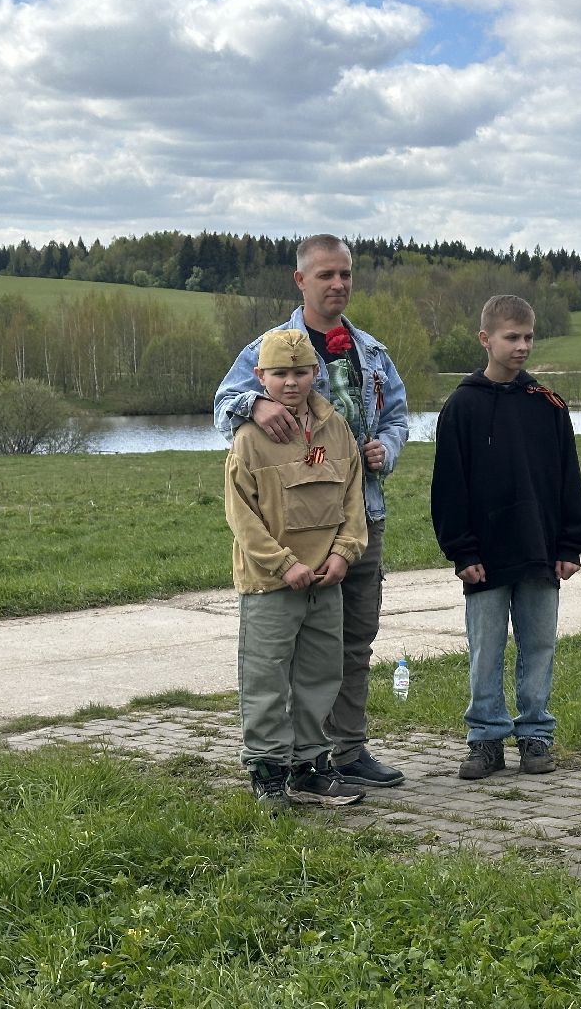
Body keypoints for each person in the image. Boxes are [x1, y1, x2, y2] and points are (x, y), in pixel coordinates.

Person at [213, 234, 410, 788]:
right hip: (288, 529)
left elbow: (397, 418)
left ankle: (344, 751)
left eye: (345, 274)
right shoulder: (268, 349)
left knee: (350, 642)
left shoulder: (370, 353)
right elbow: (223, 407)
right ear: (301, 281)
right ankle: (290, 758)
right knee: (283, 655)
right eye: (325, 275)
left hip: (358, 516)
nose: (338, 284)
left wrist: (385, 449)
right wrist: (258, 403)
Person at [430, 294, 581, 779]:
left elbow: (568, 478)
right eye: (511, 338)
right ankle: (485, 738)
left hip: (540, 549)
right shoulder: (461, 406)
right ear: (486, 340)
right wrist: (462, 551)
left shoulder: (547, 406)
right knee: (485, 647)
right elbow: (449, 487)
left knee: (538, 644)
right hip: (485, 555)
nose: (522, 347)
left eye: (528, 337)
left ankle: (536, 734)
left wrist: (570, 544)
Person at [224, 329, 369, 807]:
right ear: (260, 377)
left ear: (316, 374)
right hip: (271, 584)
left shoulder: (337, 430)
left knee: (320, 676)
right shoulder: (248, 438)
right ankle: (267, 770)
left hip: (325, 580)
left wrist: (342, 555)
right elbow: (240, 516)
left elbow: (353, 499)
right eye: (280, 373)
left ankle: (310, 767)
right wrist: (283, 565)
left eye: (301, 372)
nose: (291, 382)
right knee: (266, 677)